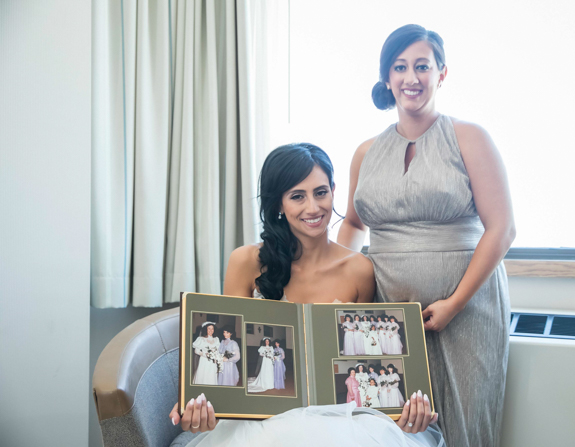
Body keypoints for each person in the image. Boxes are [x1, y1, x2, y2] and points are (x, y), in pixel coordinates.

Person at [169, 143, 441, 446]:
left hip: (341, 421)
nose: (313, 208)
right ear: (278, 204)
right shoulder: (245, 261)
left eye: (321, 192)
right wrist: (202, 402)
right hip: (263, 420)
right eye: (298, 196)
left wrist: (402, 409)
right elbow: (231, 351)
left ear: (334, 191)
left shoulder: (359, 270)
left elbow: (366, 362)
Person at [337, 23, 515, 446]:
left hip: (467, 313)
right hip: (386, 316)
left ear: (442, 74)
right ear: (387, 78)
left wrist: (455, 303)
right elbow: (354, 225)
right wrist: (337, 288)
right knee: (390, 424)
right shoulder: (365, 152)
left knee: (464, 426)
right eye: (400, 67)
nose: (411, 77)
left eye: (422, 66)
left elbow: (502, 229)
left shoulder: (469, 138)